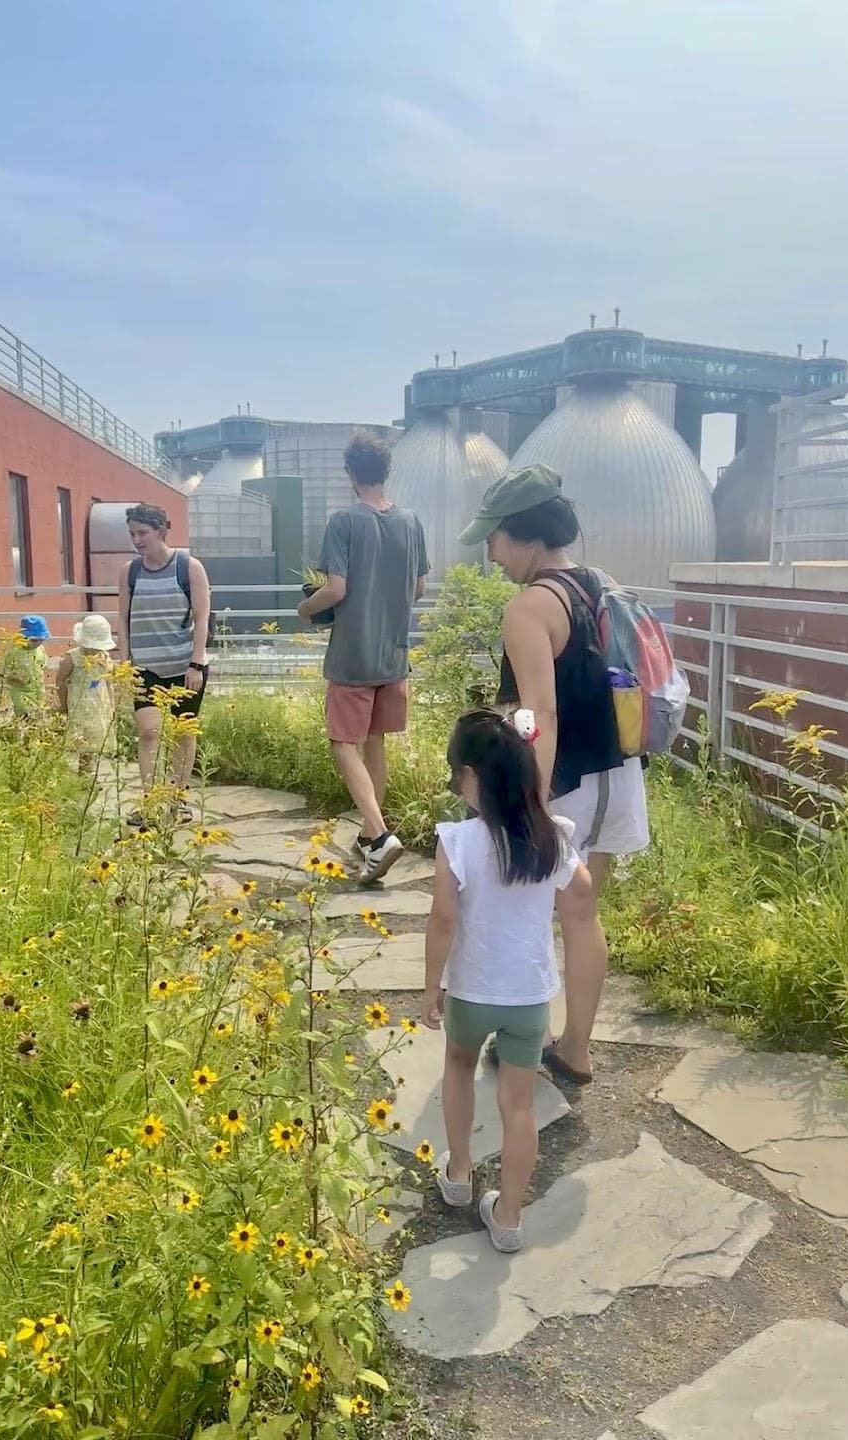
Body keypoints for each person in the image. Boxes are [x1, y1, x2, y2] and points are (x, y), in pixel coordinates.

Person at [459, 465, 647, 1084]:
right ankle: (574, 1047)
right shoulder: (600, 585)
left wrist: (529, 805)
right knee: (581, 915)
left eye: (494, 538)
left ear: (525, 536)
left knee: (535, 914)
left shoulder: (530, 606)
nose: (489, 552)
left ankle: (533, 1040)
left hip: (563, 781)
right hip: (617, 776)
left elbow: (539, 712)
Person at [420, 708, 599, 1251]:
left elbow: (443, 919)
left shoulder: (458, 841)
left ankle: (458, 1174)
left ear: (473, 777)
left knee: (457, 1066)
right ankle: (510, 1217)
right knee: (519, 1108)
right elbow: (584, 892)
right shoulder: (553, 838)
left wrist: (432, 987)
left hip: (472, 991)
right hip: (528, 999)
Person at [298, 430, 429, 884]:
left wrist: (305, 607)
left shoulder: (344, 522)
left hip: (353, 655)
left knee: (342, 742)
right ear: (385, 472)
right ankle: (371, 837)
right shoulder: (411, 522)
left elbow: (336, 590)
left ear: (351, 473)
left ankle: (377, 835)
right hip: (394, 654)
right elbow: (419, 588)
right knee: (375, 742)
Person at [117, 504, 211, 820]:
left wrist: (196, 663)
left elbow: (202, 616)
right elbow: (124, 617)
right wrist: (124, 662)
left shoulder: (189, 567)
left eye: (142, 533)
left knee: (184, 732)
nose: (137, 540)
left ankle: (178, 799)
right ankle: (151, 800)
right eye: (132, 533)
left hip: (185, 665)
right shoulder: (130, 571)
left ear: (161, 531)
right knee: (149, 732)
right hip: (145, 667)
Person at [56, 614, 117, 773]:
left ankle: (87, 772)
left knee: (94, 740)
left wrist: (112, 705)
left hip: (99, 706)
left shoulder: (104, 657)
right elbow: (60, 680)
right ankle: (82, 773)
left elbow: (109, 682)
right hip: (79, 706)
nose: (96, 649)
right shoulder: (73, 657)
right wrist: (63, 703)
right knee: (82, 741)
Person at [3, 615, 51, 717]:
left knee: (38, 718)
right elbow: (2, 671)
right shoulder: (14, 651)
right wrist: (14, 677)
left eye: (41, 640)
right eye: (33, 640)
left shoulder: (40, 650)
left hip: (37, 692)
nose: (37, 643)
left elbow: (42, 667)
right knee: (23, 718)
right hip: (20, 693)